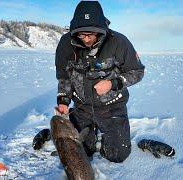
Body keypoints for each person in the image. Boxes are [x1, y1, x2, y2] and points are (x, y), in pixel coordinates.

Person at [55, 0, 144, 163]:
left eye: (91, 34)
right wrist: (63, 101)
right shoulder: (66, 44)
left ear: (101, 30)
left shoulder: (119, 42)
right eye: (81, 35)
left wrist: (113, 84)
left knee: (117, 155)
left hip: (112, 107)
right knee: (82, 152)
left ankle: (108, 134)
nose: (86, 39)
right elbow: (64, 76)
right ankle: (89, 130)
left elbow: (137, 72)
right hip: (82, 106)